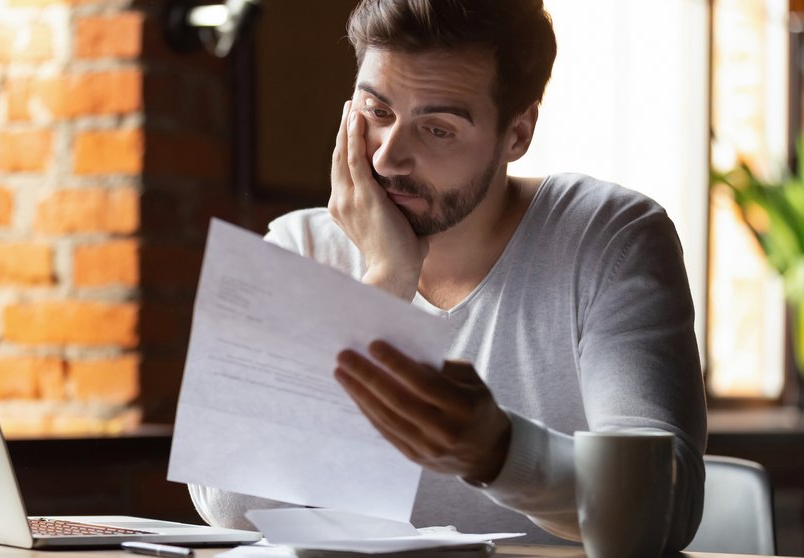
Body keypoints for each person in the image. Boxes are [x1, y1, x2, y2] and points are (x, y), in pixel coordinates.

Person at [190, 0, 707, 550]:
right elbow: (232, 506)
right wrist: (386, 280)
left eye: (437, 129)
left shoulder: (609, 238)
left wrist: (500, 454)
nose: (388, 159)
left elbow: (663, 507)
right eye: (377, 112)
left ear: (518, 133)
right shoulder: (299, 246)